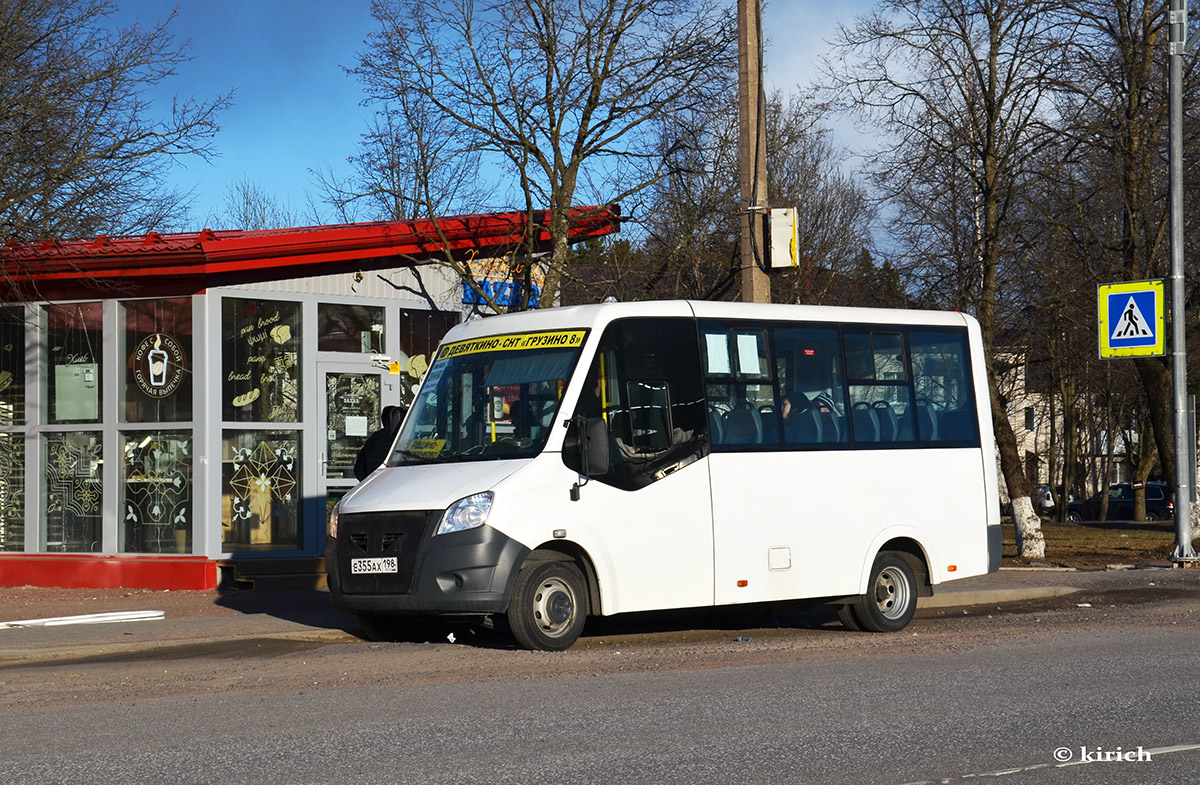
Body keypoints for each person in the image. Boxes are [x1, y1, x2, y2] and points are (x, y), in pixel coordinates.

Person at [353, 404, 407, 480]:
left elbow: (359, 469)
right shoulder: (401, 439)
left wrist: (368, 481)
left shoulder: (374, 439)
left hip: (374, 484)